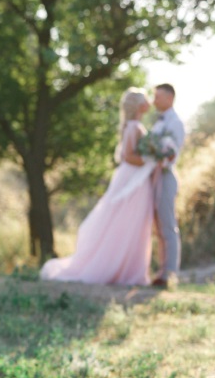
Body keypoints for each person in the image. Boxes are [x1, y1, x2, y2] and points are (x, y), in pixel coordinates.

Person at [40, 88, 157, 286]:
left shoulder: (132, 126)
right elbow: (128, 156)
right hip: (132, 181)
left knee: (130, 223)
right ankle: (123, 271)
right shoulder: (134, 127)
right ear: (138, 105)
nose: (149, 102)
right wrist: (150, 159)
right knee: (130, 222)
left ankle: (128, 270)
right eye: (145, 99)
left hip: (130, 178)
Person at [150, 83, 186, 288]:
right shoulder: (159, 122)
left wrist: (158, 156)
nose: (155, 100)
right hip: (154, 177)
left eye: (158, 97)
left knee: (167, 225)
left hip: (165, 177)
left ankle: (170, 273)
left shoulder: (176, 123)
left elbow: (172, 154)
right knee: (158, 227)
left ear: (170, 98)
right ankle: (161, 271)